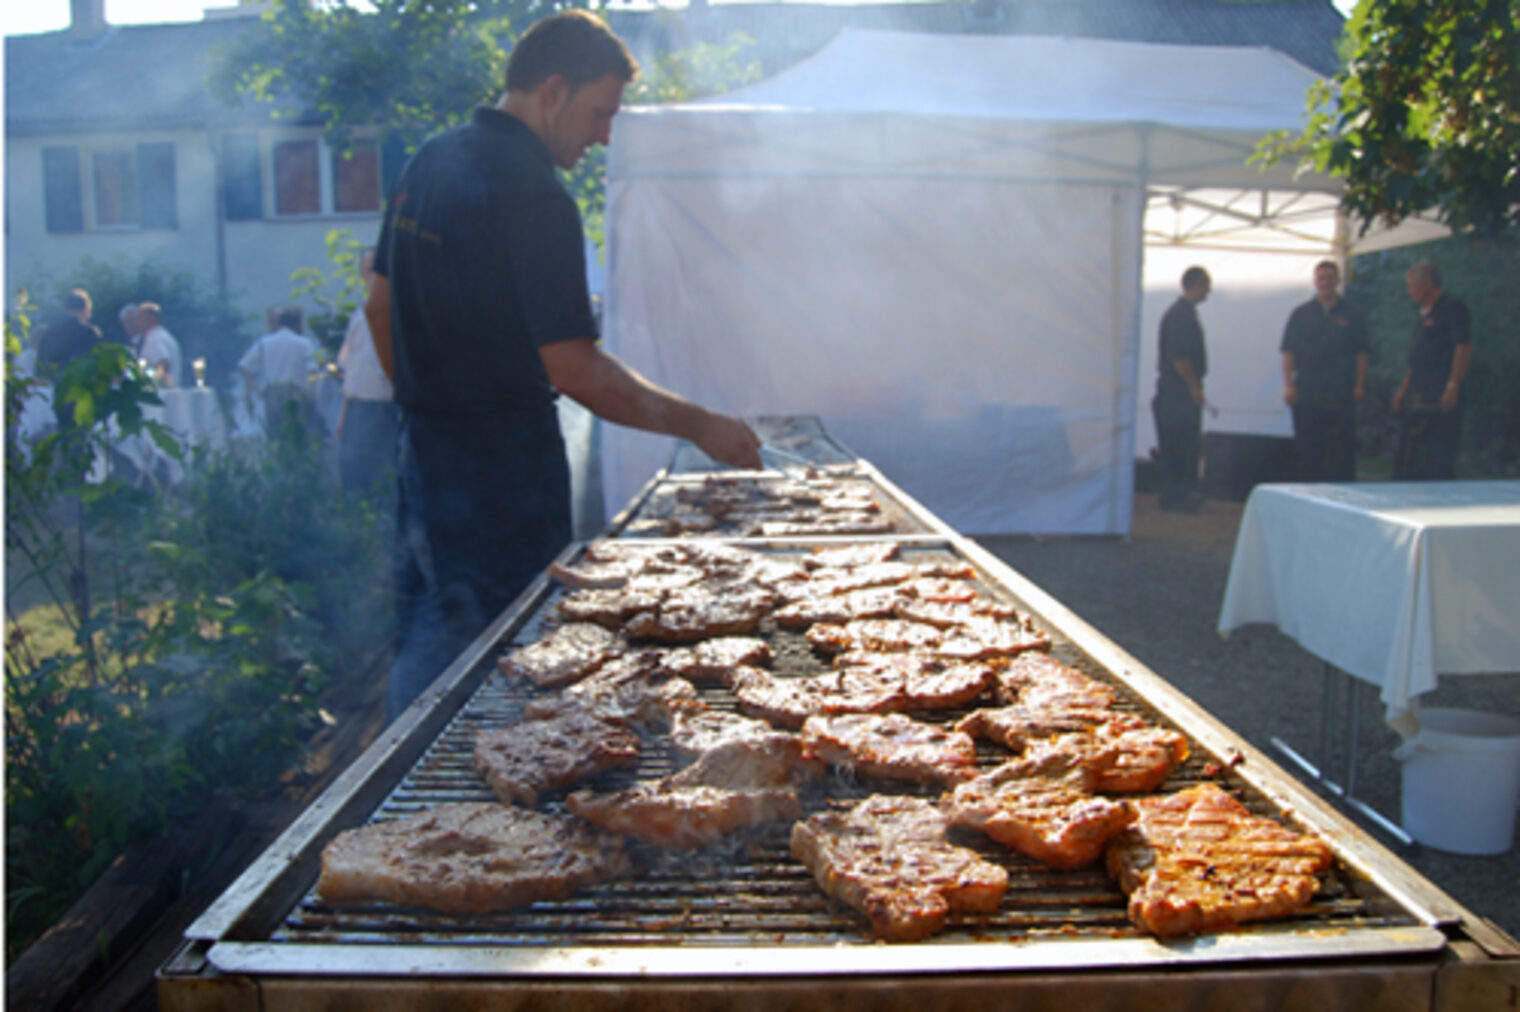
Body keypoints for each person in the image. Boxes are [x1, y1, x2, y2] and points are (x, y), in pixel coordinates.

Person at [366, 10, 762, 721]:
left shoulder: (427, 162)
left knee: (430, 635)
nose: (604, 135)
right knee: (499, 659)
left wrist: (428, 404)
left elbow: (377, 307)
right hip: (500, 479)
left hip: (425, 456)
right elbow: (574, 370)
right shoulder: (535, 193)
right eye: (600, 112)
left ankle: (397, 795)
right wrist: (700, 423)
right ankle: (457, 815)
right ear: (552, 90)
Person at [1280, 260, 1370, 483]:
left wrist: (1360, 385)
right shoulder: (1301, 314)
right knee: (1307, 445)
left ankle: (1342, 494)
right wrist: (1289, 385)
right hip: (1308, 390)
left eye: (1330, 278)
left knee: (1341, 446)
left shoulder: (1353, 314)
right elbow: (1288, 352)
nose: (1326, 282)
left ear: (1338, 280)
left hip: (1341, 389)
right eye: (1322, 278)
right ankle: (1306, 491)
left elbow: (1362, 353)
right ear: (1315, 281)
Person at [1391, 261, 1472, 481]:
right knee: (1408, 452)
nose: (1409, 292)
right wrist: (1402, 390)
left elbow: (1463, 346)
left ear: (1427, 284)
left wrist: (1453, 385)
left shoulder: (1453, 308)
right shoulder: (1423, 314)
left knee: (1437, 455)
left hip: (1441, 389)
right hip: (1418, 390)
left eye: (1412, 286)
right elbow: (1417, 359)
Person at [336, 249, 401, 494]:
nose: (372, 274)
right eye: (367, 269)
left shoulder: (401, 312)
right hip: (357, 409)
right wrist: (343, 414)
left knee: (385, 480)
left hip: (385, 409)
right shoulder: (358, 316)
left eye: (377, 268)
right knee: (354, 479)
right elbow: (350, 367)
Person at [1152, 266, 1211, 512]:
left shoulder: (1184, 314)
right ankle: (1175, 497)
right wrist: (1194, 388)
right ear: (1196, 285)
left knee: (1184, 444)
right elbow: (1180, 358)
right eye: (1207, 285)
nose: (1209, 291)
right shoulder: (1180, 316)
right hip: (1177, 393)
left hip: (1178, 392)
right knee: (1179, 445)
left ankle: (1179, 495)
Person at [238, 308, 321, 435]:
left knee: (275, 433)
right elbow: (313, 371)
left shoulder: (264, 343)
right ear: (297, 325)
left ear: (279, 324)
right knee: (297, 432)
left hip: (273, 393)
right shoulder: (304, 343)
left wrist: (257, 389)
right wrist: (312, 393)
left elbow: (244, 366)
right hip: (297, 392)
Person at [36, 289, 103, 428]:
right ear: (86, 309)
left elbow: (41, 366)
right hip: (83, 392)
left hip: (57, 392)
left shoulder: (50, 332)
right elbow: (100, 364)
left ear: (66, 308)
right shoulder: (90, 333)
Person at [135, 302, 183, 388]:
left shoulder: (155, 338)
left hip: (160, 393)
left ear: (153, 319)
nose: (137, 322)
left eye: (141, 318)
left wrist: (151, 383)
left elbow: (163, 362)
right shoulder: (162, 335)